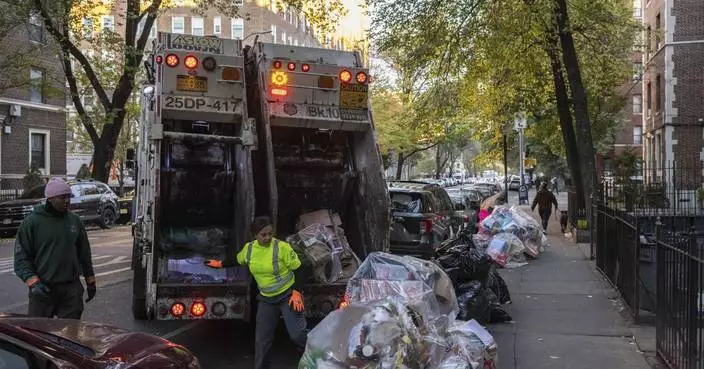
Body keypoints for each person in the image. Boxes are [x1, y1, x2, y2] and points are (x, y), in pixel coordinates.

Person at [205, 216, 308, 369]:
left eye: (270, 234)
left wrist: (297, 292)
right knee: (262, 340)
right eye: (263, 235)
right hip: (267, 300)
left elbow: (300, 268)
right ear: (255, 235)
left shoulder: (282, 247)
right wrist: (219, 263)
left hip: (287, 296)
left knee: (297, 335)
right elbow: (237, 259)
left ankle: (321, 350)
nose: (267, 237)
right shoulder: (250, 249)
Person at [14, 178, 96, 319]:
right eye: (62, 197)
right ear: (50, 198)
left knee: (70, 334)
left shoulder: (74, 221)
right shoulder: (32, 223)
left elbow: (84, 253)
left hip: (70, 290)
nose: (67, 201)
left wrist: (90, 281)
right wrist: (34, 284)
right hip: (43, 289)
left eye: (69, 196)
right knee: (39, 334)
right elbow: (21, 258)